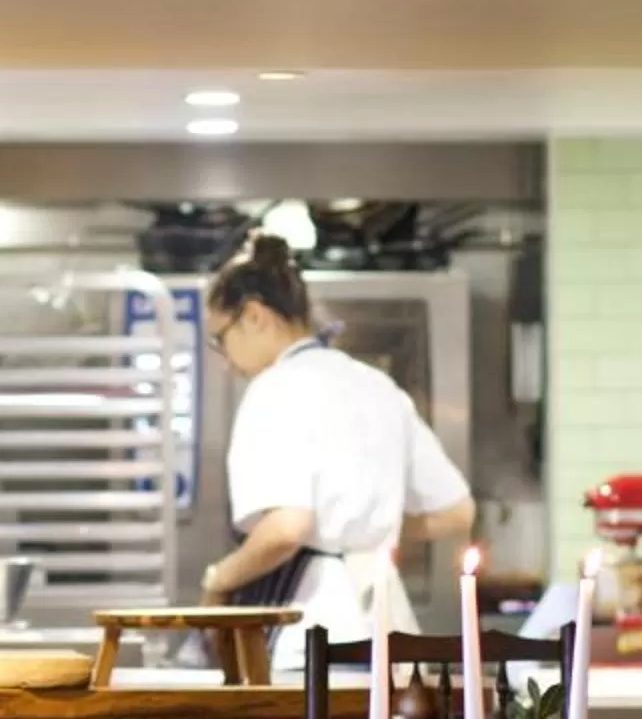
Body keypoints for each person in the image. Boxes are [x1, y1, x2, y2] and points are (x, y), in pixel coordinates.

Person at [196, 232, 476, 667]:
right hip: (386, 624)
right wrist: (371, 526)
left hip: (310, 633)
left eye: (220, 338)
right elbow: (457, 512)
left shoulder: (273, 389)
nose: (224, 359)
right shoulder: (376, 385)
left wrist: (218, 580)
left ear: (254, 317)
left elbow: (286, 529)